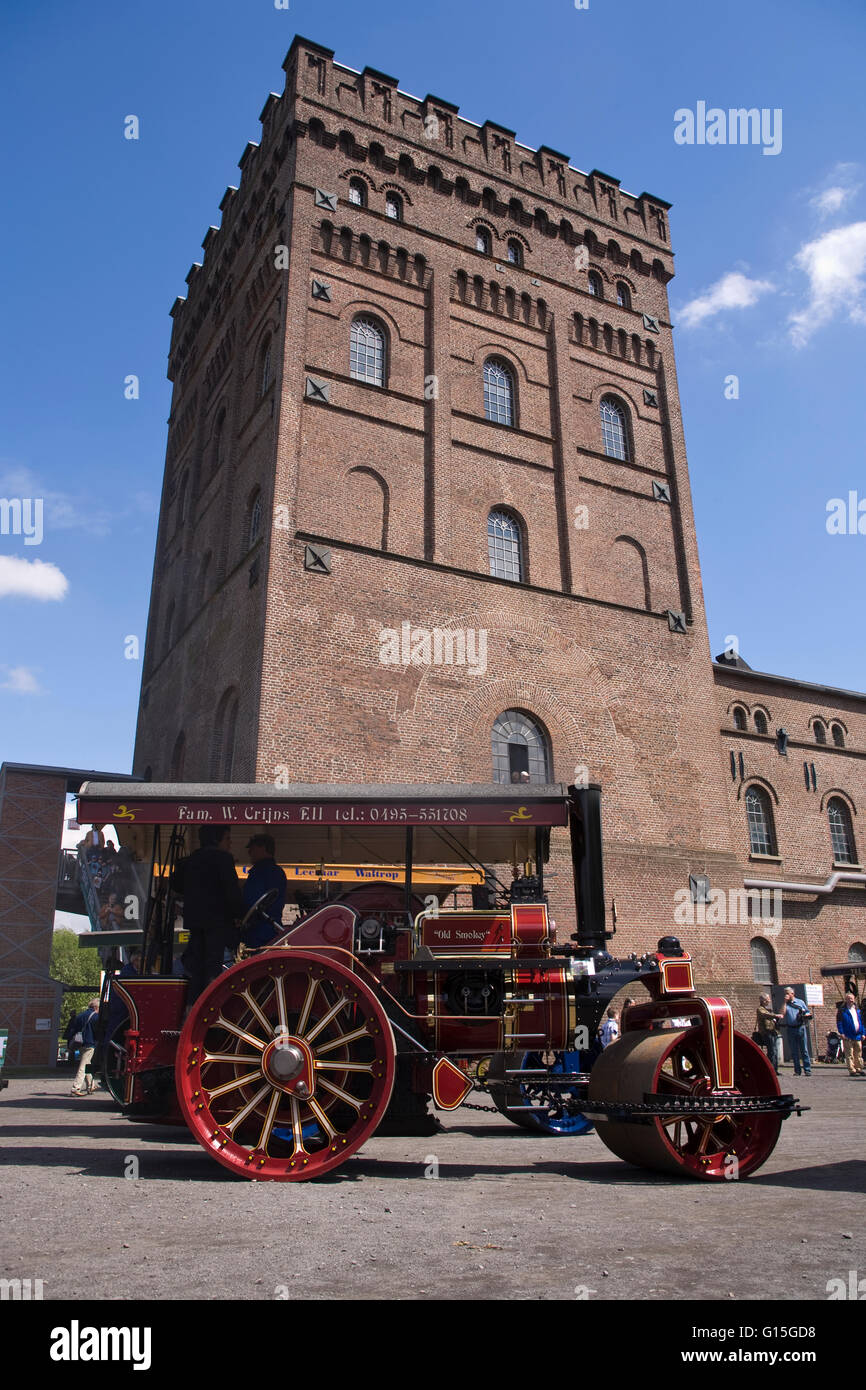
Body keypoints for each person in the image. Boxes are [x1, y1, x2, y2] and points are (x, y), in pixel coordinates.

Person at [176, 826, 245, 1002]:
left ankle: (193, 1002)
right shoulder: (223, 859)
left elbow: (176, 884)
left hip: (195, 920)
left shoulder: (191, 860)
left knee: (197, 965)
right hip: (217, 921)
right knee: (213, 965)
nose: (230, 843)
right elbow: (232, 892)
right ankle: (211, 1002)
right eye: (227, 839)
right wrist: (240, 915)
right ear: (218, 839)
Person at [241, 834, 288, 947]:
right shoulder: (278, 872)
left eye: (252, 848)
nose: (249, 852)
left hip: (258, 932)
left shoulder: (258, 873)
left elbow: (251, 901)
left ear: (262, 848)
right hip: (272, 929)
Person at [71, 998, 101, 1095]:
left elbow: (74, 1029)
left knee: (86, 1063)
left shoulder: (80, 1016)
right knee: (83, 1066)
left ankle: (90, 1086)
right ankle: (76, 1088)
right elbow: (97, 1031)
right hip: (89, 1043)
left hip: (80, 1043)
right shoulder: (96, 1017)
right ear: (96, 1007)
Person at [781, 986, 813, 1077]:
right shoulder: (786, 1004)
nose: (786, 995)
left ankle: (807, 1069)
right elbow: (782, 1013)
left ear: (792, 994)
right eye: (785, 993)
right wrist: (784, 1002)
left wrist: (806, 1014)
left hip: (800, 1028)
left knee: (804, 1050)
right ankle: (797, 1070)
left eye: (787, 993)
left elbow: (807, 1012)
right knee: (794, 1051)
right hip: (790, 1028)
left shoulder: (800, 1002)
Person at [836, 992, 865, 1076]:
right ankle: (852, 1070)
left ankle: (859, 1068)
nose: (850, 1000)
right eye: (848, 999)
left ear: (854, 999)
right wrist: (841, 1033)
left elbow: (862, 1022)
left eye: (851, 998)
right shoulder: (842, 1010)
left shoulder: (858, 1010)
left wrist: (863, 1033)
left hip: (858, 1035)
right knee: (849, 1054)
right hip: (848, 1035)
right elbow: (839, 1022)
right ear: (846, 1000)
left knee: (858, 1053)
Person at [755, 992, 781, 1074]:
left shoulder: (768, 1009)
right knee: (771, 1051)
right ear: (764, 1000)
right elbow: (766, 1015)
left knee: (775, 1051)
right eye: (768, 999)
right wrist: (776, 1016)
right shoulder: (760, 1009)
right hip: (766, 1033)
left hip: (773, 1032)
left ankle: (775, 1070)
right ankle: (769, 1069)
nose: (769, 1000)